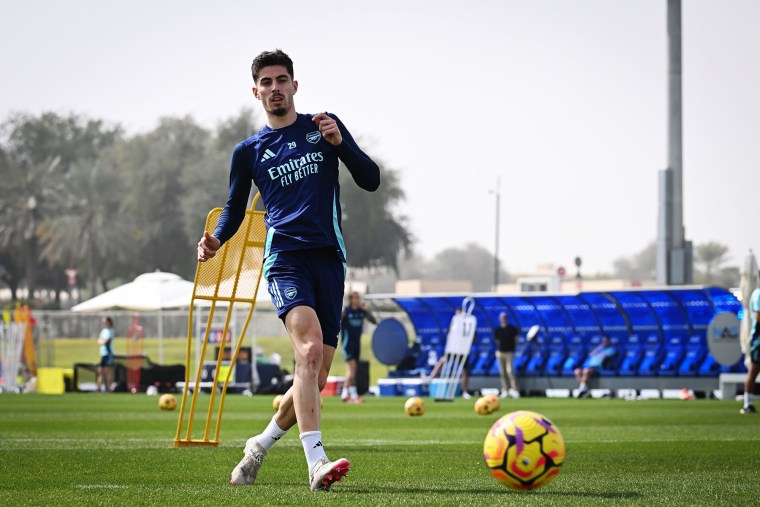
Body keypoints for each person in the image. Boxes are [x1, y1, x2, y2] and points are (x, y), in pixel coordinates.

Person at [197, 49, 379, 491]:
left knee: (312, 377)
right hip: (285, 260)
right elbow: (235, 210)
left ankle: (257, 448)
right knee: (310, 349)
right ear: (255, 91)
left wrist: (341, 145)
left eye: (282, 80)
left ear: (294, 86)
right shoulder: (248, 151)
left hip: (329, 260)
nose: (275, 88)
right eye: (267, 82)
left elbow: (370, 178)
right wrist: (217, 239)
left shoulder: (323, 126)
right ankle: (316, 463)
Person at [340, 291, 377, 403]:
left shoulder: (362, 311)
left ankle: (345, 395)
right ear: (350, 299)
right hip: (347, 344)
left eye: (358, 297)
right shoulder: (346, 311)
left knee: (351, 372)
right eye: (355, 297)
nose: (357, 299)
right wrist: (341, 314)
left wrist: (366, 310)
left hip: (357, 344)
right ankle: (354, 395)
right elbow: (337, 321)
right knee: (352, 370)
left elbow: (374, 321)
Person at [428, 308, 474, 398]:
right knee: (443, 361)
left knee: (465, 370)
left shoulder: (467, 324)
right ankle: (430, 379)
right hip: (453, 348)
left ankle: (464, 391)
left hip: (463, 349)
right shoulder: (454, 324)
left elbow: (472, 337)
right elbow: (449, 336)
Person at [741, 285, 760, 414]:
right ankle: (747, 404)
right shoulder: (758, 293)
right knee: (754, 370)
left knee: (753, 371)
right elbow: (758, 317)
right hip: (758, 339)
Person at [493, 312, 520, 399]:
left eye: (504, 317)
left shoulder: (512, 329)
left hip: (509, 352)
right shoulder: (498, 330)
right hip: (500, 352)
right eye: (502, 318)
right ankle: (505, 390)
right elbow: (496, 341)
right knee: (502, 372)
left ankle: (515, 390)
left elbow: (516, 340)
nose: (503, 319)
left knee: (510, 371)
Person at [96, 317, 115, 392]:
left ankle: (108, 388)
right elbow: (99, 341)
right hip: (103, 354)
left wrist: (102, 341)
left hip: (108, 354)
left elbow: (106, 341)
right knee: (100, 371)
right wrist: (102, 341)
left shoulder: (110, 331)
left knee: (108, 371)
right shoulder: (103, 331)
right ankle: (98, 387)